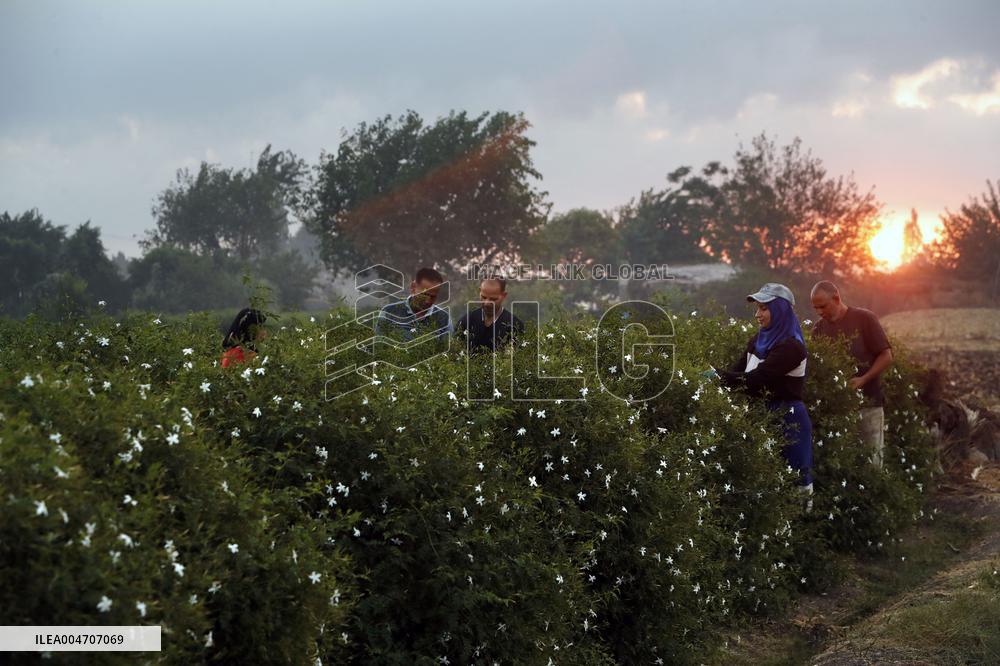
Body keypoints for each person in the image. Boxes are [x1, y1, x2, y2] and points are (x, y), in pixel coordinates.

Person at [717, 283, 814, 495]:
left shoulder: (791, 346)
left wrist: (717, 376)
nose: (757, 315)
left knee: (793, 489)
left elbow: (758, 379)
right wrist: (719, 379)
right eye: (757, 308)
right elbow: (738, 372)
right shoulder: (758, 340)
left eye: (763, 308)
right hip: (761, 418)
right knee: (763, 487)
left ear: (779, 310)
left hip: (787, 422)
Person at [810, 281, 893, 469]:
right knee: (843, 467)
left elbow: (887, 356)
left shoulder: (864, 319)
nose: (820, 312)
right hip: (837, 411)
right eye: (815, 308)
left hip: (869, 406)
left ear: (837, 298)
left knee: (872, 466)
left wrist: (863, 379)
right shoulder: (818, 329)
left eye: (823, 306)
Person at [375, 267, 451, 342]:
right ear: (413, 287)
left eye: (433, 297)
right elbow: (379, 345)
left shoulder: (443, 318)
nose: (428, 301)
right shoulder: (389, 312)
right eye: (424, 295)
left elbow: (447, 350)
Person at [455, 277, 524, 353]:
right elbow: (454, 350)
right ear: (479, 291)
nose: (487, 303)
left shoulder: (514, 326)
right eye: (483, 297)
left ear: (504, 296)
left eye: (493, 299)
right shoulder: (467, 321)